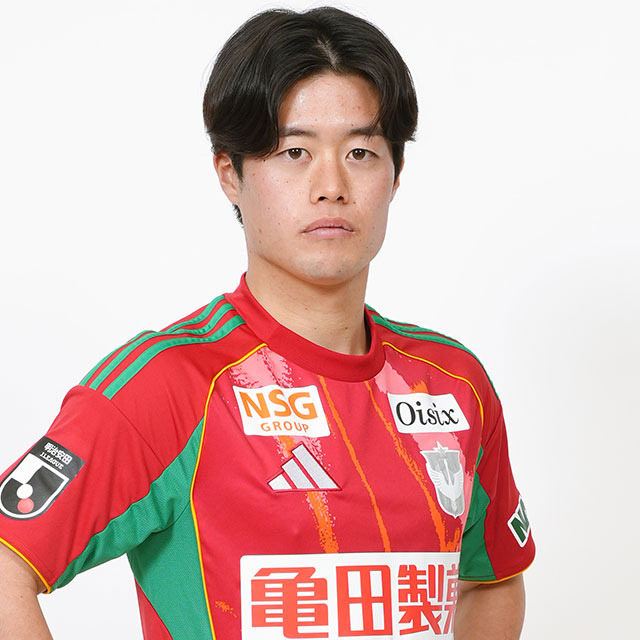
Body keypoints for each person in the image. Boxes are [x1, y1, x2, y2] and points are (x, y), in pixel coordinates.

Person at [0, 6, 534, 639]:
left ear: (396, 174)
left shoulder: (453, 383)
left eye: (361, 151)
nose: (331, 185)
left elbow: (493, 578)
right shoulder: (167, 385)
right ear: (231, 173)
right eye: (294, 151)